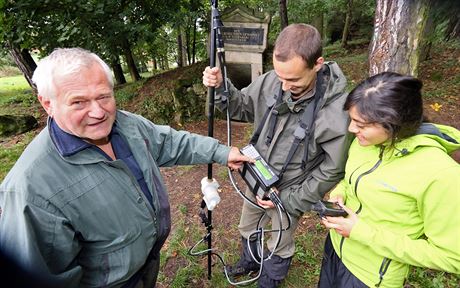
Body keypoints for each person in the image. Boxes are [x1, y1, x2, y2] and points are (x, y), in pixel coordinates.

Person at [0, 47, 252, 287]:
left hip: (147, 265)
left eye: (104, 97)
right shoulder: (30, 191)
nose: (98, 112)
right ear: (48, 104)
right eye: (79, 102)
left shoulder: (126, 125)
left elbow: (170, 143)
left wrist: (222, 151)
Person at [203, 23, 352, 287]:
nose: (283, 86)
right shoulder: (275, 80)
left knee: (279, 240)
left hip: (291, 191)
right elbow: (242, 107)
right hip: (257, 176)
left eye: (293, 80)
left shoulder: (337, 110)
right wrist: (220, 88)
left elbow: (333, 168)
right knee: (247, 225)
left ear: (317, 64)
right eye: (280, 77)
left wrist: (291, 200)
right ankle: (250, 260)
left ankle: (271, 278)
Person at [318, 72, 460, 287]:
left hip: (370, 277)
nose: (351, 129)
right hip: (336, 249)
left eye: (361, 124)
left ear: (393, 123)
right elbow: (350, 179)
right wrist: (341, 192)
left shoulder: (441, 175)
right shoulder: (364, 143)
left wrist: (362, 233)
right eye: (352, 120)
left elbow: (452, 257)